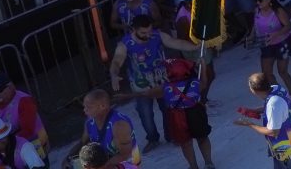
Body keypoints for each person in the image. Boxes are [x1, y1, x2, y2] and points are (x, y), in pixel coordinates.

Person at [108, 15, 196, 153]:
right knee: (145, 114)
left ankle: (171, 136)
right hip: (140, 84)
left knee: (168, 109)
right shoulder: (125, 44)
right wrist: (113, 75)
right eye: (143, 33)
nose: (148, 35)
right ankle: (153, 139)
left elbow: (176, 42)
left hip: (162, 79)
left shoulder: (157, 35)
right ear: (134, 29)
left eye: (149, 31)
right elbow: (117, 60)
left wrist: (194, 47)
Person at [234, 73, 291, 169]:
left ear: (253, 90)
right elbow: (276, 109)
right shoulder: (276, 89)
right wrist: (253, 110)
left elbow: (273, 132)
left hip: (287, 146)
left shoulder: (273, 104)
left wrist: (249, 124)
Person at [157, 58, 214, 169]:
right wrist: (203, 66)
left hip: (177, 116)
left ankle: (193, 167)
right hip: (196, 112)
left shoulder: (165, 88)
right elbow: (204, 82)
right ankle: (209, 163)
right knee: (202, 138)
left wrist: (128, 96)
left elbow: (146, 94)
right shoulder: (195, 83)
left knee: (186, 143)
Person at [62, 89, 140, 168]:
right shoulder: (89, 122)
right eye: (84, 106)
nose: (84, 110)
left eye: (88, 107)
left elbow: (126, 154)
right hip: (104, 159)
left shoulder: (119, 125)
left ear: (102, 106)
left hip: (127, 162)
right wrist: (68, 158)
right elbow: (83, 142)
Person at [247, 0, 291, 98]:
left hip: (282, 44)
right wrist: (251, 35)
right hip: (266, 44)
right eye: (256, 0)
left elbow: (289, 26)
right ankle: (280, 94)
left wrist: (275, 34)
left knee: (282, 72)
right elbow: (255, 24)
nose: (257, 2)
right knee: (267, 74)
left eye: (260, 0)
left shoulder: (278, 11)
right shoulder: (257, 10)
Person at [0, 72, 47, 163]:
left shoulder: (24, 101)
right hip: (5, 147)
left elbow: (28, 130)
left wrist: (6, 143)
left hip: (32, 143)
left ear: (10, 87)